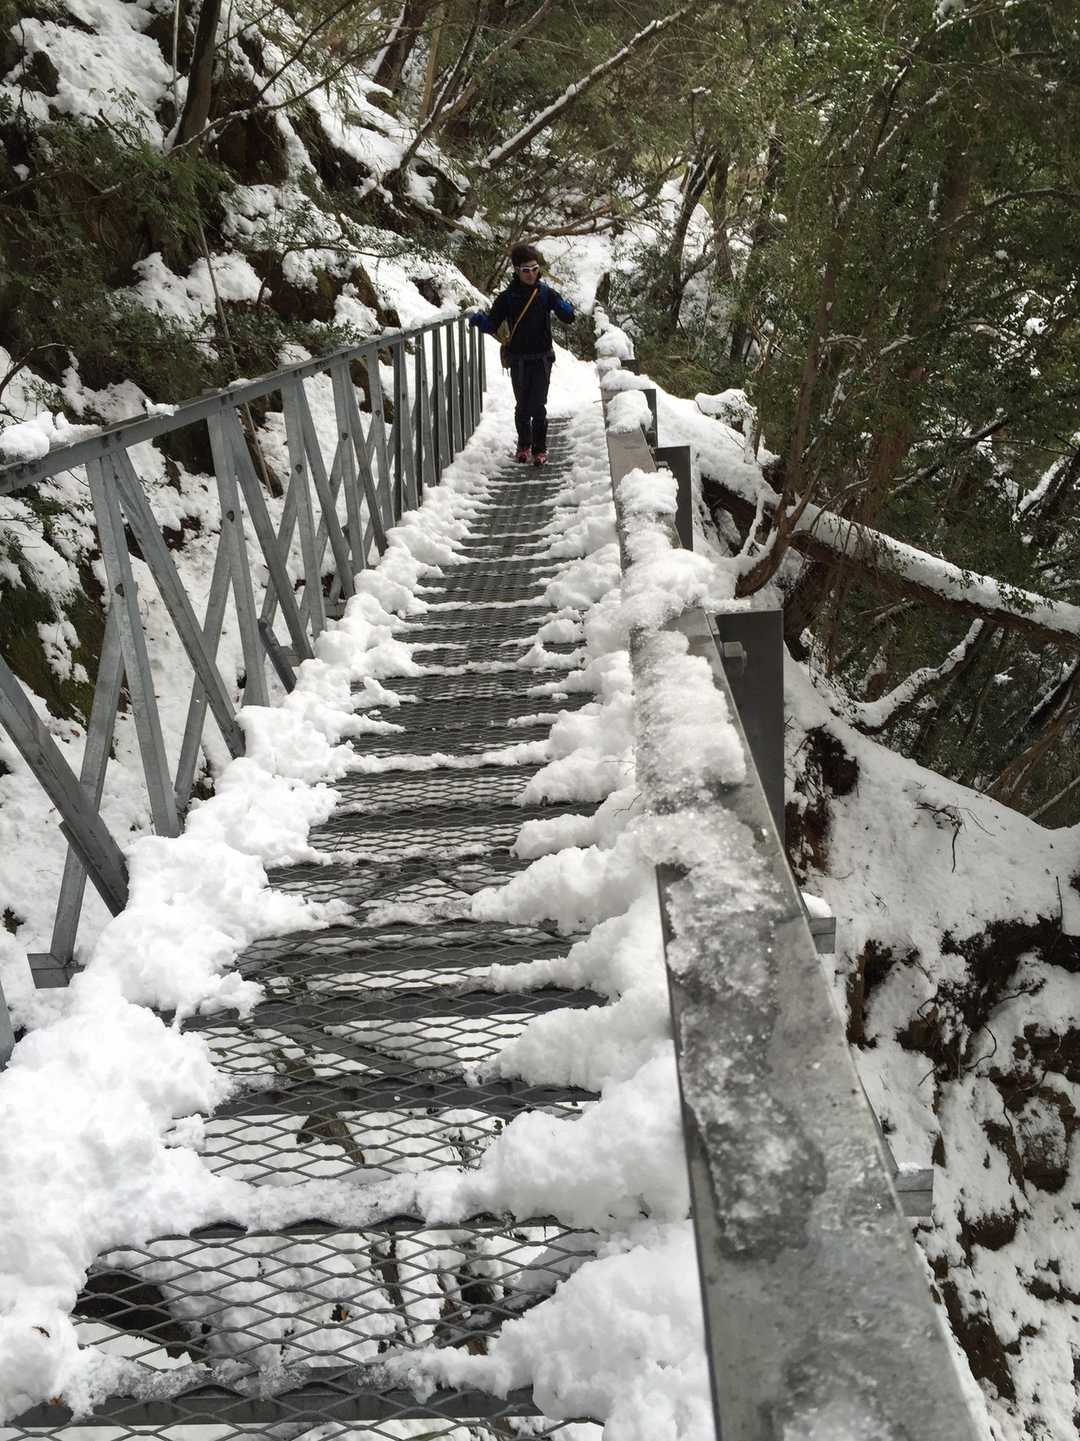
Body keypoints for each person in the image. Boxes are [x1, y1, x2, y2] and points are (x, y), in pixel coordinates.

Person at [469, 244, 574, 466]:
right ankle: (524, 446)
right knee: (522, 405)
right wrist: (478, 320)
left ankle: (539, 449)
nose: (531, 274)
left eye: (535, 269)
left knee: (539, 405)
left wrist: (566, 308)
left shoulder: (546, 293)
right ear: (516, 270)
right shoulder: (507, 297)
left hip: (542, 357)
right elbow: (492, 325)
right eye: (526, 270)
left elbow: (568, 317)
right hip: (518, 359)